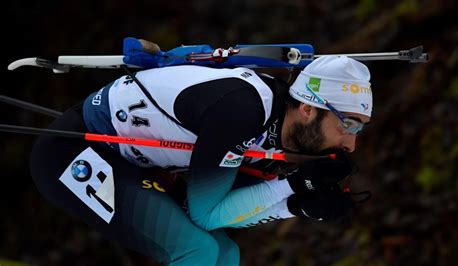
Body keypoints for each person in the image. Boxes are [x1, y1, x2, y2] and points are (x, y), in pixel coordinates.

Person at [29, 55, 372, 265]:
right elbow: (207, 215)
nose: (351, 144)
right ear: (308, 108)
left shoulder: (282, 132)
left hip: (130, 162)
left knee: (225, 255)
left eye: (360, 128)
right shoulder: (243, 113)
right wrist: (294, 188)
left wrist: (296, 205)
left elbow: (227, 209)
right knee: (197, 252)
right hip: (74, 152)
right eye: (348, 123)